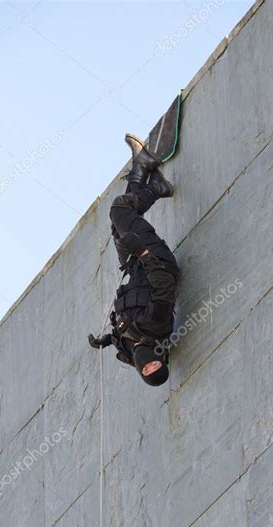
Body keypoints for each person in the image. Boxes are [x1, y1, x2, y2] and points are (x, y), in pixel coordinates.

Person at [88, 134, 180, 387]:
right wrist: (142, 253)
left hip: (134, 267)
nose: (148, 364)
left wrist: (108, 339)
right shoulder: (156, 326)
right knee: (120, 211)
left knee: (118, 229)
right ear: (162, 359)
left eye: (147, 370)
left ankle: (148, 175)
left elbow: (127, 329)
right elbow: (164, 286)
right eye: (155, 364)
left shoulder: (128, 353)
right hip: (155, 261)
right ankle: (148, 181)